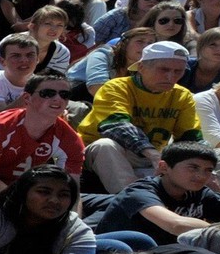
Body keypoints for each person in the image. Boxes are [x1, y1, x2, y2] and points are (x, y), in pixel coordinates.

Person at [80, 41, 203, 194]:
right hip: (110, 153)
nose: (171, 77)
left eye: (178, 71)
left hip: (153, 157)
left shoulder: (182, 95)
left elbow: (190, 136)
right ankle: (135, 199)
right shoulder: (116, 87)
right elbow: (117, 125)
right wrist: (153, 155)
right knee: (105, 145)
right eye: (164, 69)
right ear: (141, 67)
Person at [92, 141, 220, 250]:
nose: (201, 176)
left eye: (208, 170)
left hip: (167, 251)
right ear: (164, 167)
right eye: (193, 168)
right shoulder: (139, 191)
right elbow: (176, 224)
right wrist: (217, 231)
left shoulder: (200, 193)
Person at [0, 72, 86, 193]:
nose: (58, 99)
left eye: (64, 95)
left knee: (102, 201)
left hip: (36, 196)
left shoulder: (71, 140)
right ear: (27, 98)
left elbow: (70, 190)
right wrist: (24, 202)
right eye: (48, 93)